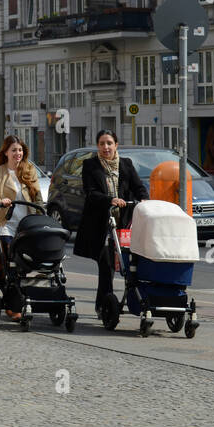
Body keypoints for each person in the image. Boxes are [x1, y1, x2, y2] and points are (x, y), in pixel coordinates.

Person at [73, 129, 148, 314]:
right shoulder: (90, 165)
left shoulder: (126, 164)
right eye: (102, 144)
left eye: (109, 143)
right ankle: (104, 306)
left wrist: (144, 199)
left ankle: (132, 302)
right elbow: (90, 193)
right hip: (101, 224)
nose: (106, 147)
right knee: (106, 266)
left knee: (129, 264)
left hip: (123, 223)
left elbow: (139, 187)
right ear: (98, 146)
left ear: (116, 145)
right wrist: (110, 200)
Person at [0, 134, 43, 320]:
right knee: (10, 261)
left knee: (25, 264)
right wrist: (0, 201)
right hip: (6, 223)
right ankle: (13, 305)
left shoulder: (29, 169)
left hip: (27, 224)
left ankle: (21, 299)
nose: (17, 153)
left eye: (20, 150)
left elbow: (37, 196)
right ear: (6, 152)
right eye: (14, 150)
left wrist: (42, 213)